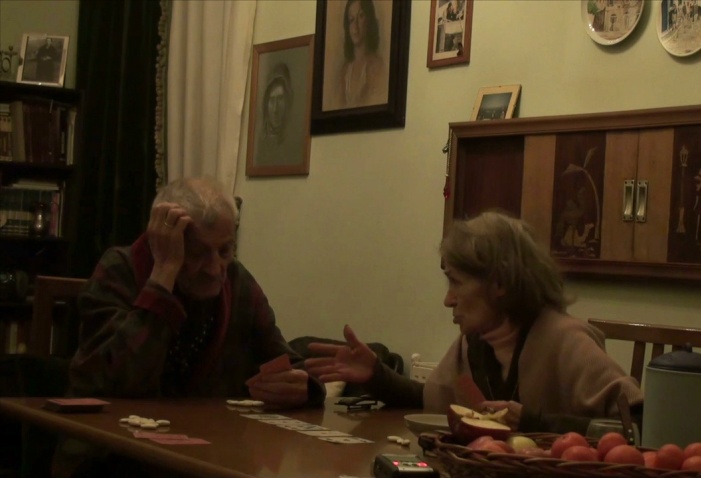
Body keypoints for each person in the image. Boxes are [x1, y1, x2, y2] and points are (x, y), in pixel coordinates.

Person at [55, 177, 325, 476]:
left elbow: (285, 361)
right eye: (196, 253)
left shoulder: (237, 281)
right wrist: (163, 275)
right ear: (163, 241)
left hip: (204, 453)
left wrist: (304, 387)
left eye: (225, 250)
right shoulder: (120, 270)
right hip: (111, 455)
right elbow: (119, 382)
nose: (214, 269)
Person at [306, 211, 642, 434]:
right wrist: (376, 376)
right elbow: (430, 400)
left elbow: (638, 426)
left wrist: (534, 422)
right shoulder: (476, 342)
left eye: (456, 282)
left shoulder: (565, 339)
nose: (448, 300)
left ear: (500, 283)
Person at [334, 0, 388, 109]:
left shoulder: (377, 66)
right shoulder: (345, 71)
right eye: (351, 20)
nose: (355, 26)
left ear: (369, 20)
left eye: (361, 16)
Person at [254, 62, 294, 165]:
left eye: (280, 99)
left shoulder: (294, 144)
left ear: (288, 101)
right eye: (271, 100)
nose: (275, 109)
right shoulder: (260, 146)